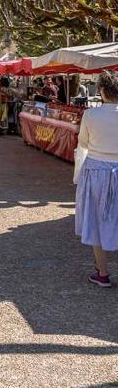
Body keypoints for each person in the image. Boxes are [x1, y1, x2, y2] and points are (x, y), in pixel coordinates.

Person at [74, 71, 118, 288]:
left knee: (96, 220)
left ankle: (103, 273)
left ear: (102, 90)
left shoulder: (91, 115)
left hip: (96, 170)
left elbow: (83, 143)